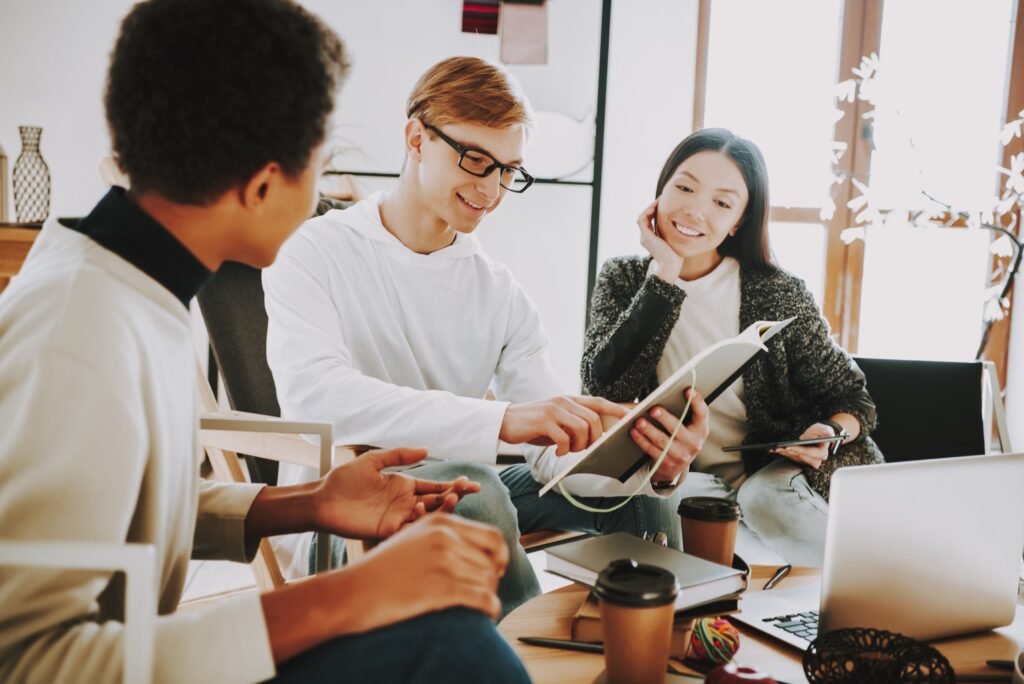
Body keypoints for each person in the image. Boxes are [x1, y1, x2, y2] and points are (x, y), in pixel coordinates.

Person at [0, 2, 530, 682]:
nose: (321, 198)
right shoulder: (77, 335)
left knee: (453, 634)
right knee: (458, 648)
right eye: (321, 165)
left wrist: (307, 504)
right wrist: (349, 593)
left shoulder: (131, 286)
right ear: (261, 185)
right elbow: (24, 662)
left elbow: (120, 513)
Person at [263, 56, 711, 610]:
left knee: (643, 504)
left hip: (463, 497)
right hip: (338, 521)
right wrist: (503, 422)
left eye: (509, 170)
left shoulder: (499, 292)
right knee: (479, 491)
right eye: (476, 160)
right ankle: (519, 663)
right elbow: (315, 396)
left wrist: (647, 462)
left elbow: (553, 459)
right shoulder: (314, 250)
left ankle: (646, 655)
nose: (492, 188)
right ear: (415, 138)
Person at [581, 128, 883, 566]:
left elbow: (856, 402)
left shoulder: (777, 292)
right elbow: (603, 387)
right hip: (693, 478)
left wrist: (829, 435)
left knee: (762, 497)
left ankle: (889, 576)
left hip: (783, 476)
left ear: (738, 221)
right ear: (660, 191)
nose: (695, 211)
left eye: (721, 203)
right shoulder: (626, 278)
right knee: (659, 498)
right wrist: (664, 273)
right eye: (684, 187)